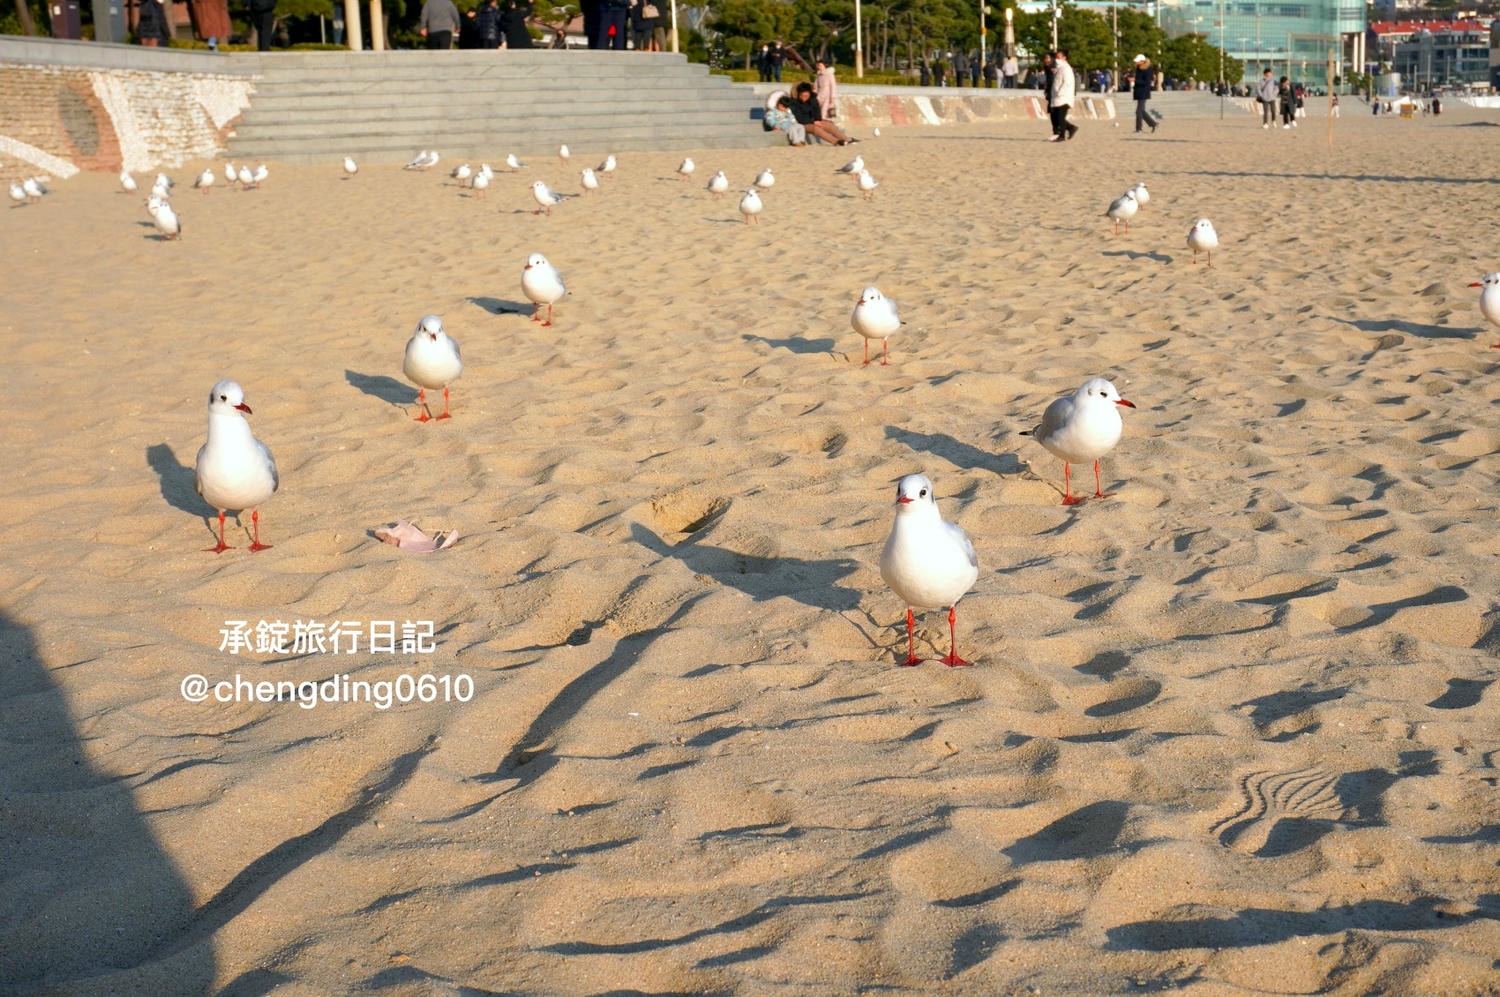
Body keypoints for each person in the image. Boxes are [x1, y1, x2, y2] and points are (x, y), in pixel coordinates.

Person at [789, 81, 855, 145]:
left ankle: (846, 139)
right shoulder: (794, 102)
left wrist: (817, 120)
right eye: (802, 96)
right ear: (799, 94)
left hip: (813, 121)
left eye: (806, 96)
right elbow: (799, 117)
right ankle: (836, 141)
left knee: (829, 125)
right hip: (801, 124)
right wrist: (813, 122)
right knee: (815, 129)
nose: (804, 98)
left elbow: (817, 111)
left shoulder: (813, 99)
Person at [1049, 49, 1077, 141]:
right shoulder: (1060, 68)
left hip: (1063, 97)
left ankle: (1062, 136)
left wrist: (1060, 93)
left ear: (1064, 58)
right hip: (1057, 97)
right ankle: (1071, 128)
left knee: (1060, 117)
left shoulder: (1066, 68)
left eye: (1059, 57)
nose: (1056, 59)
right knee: (1057, 117)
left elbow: (1067, 83)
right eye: (1056, 57)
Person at [1131, 54, 1156, 134]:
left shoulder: (1148, 69)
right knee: (1141, 111)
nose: (1136, 63)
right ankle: (1153, 123)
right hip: (1138, 91)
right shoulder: (1138, 68)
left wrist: (1135, 80)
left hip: (1144, 92)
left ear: (1142, 61)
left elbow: (1147, 82)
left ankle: (1139, 129)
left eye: (1137, 61)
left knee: (1138, 111)